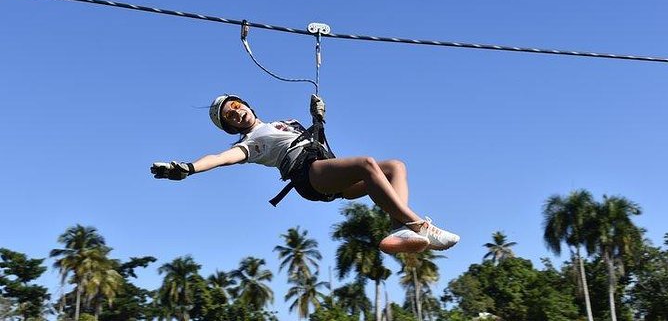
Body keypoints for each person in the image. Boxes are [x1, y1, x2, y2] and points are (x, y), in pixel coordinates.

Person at [151, 94, 460, 254]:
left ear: (245, 103)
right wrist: (189, 168)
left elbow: (318, 142)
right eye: (230, 117)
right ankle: (419, 226)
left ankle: (399, 229)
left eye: (234, 106)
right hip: (309, 176)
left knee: (395, 167)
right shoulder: (251, 143)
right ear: (233, 127)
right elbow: (221, 158)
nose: (235, 112)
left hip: (329, 172)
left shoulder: (282, 122)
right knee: (367, 162)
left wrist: (317, 118)